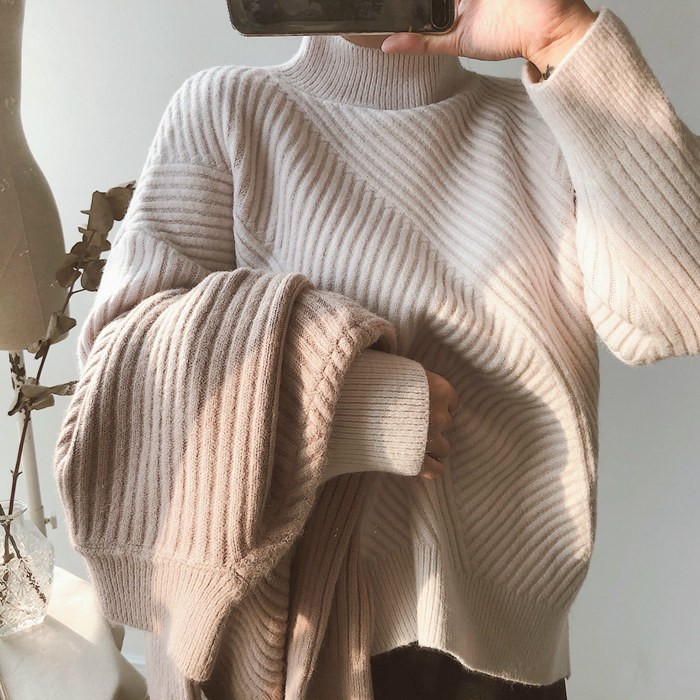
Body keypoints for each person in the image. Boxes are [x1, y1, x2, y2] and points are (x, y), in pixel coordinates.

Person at [54, 0, 699, 698]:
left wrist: (562, 35)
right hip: (289, 648)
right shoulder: (229, 111)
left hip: (503, 665)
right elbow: (121, 379)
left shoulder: (550, 120)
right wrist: (355, 405)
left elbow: (675, 312)